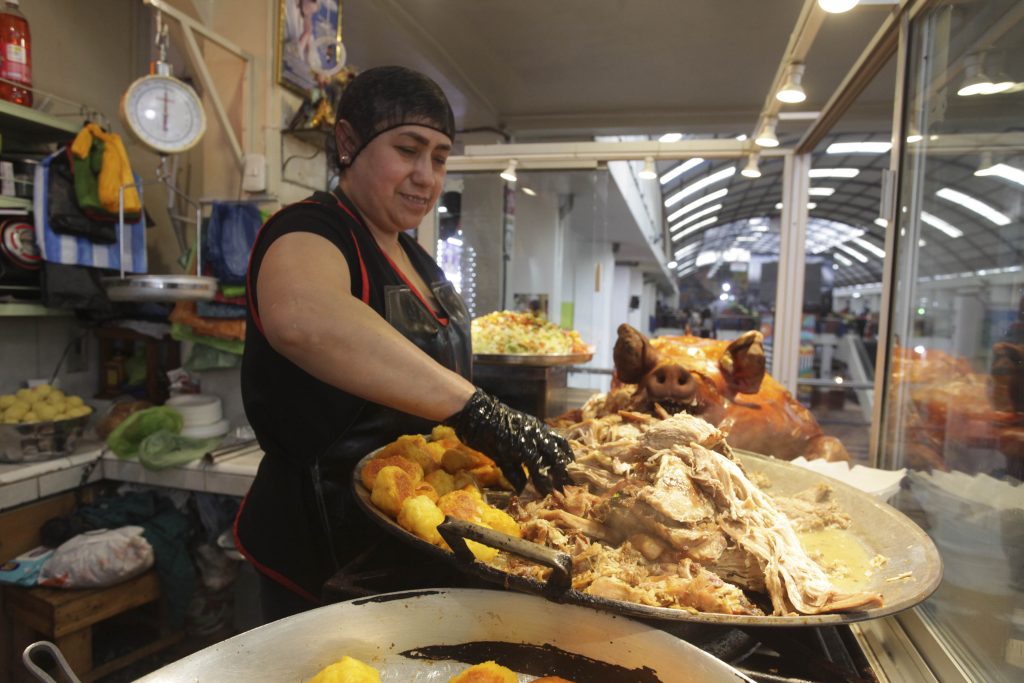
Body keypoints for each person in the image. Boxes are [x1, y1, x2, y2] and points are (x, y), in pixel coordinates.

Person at [234, 66, 573, 623]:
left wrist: (500, 423)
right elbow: (303, 319)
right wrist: (475, 409)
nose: (426, 176)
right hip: (323, 547)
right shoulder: (311, 231)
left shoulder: (419, 261)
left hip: (407, 530)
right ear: (347, 143)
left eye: (439, 158)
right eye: (408, 150)